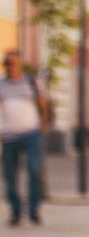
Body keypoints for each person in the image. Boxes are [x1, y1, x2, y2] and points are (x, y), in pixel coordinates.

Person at [2, 50, 46, 226]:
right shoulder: (1, 84)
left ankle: (34, 210)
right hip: (8, 135)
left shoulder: (32, 82)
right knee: (9, 175)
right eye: (6, 63)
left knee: (34, 170)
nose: (9, 66)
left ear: (20, 64)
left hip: (31, 133)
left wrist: (43, 125)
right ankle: (15, 211)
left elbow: (42, 103)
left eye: (12, 62)